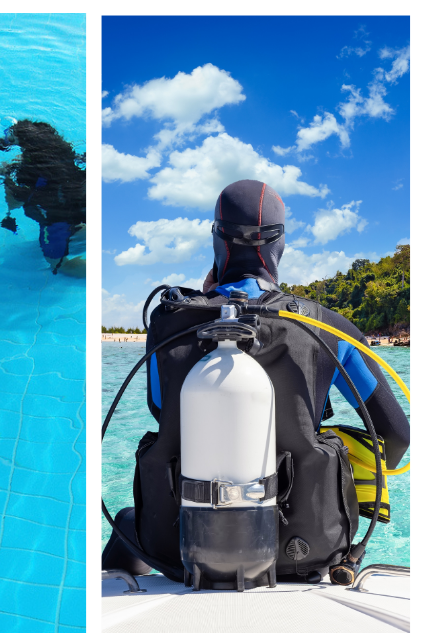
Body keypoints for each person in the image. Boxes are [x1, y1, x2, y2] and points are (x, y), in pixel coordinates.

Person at [101, 179, 410, 583]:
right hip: (307, 548)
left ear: (217, 239)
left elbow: (164, 411)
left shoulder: (168, 323)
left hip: (179, 548)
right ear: (279, 244)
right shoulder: (328, 328)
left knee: (127, 520)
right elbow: (397, 435)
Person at [0, 119, 86, 274]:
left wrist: (5, 178)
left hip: (58, 221)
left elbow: (14, 203)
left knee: (57, 265)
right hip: (83, 207)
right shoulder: (66, 155)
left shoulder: (27, 174)